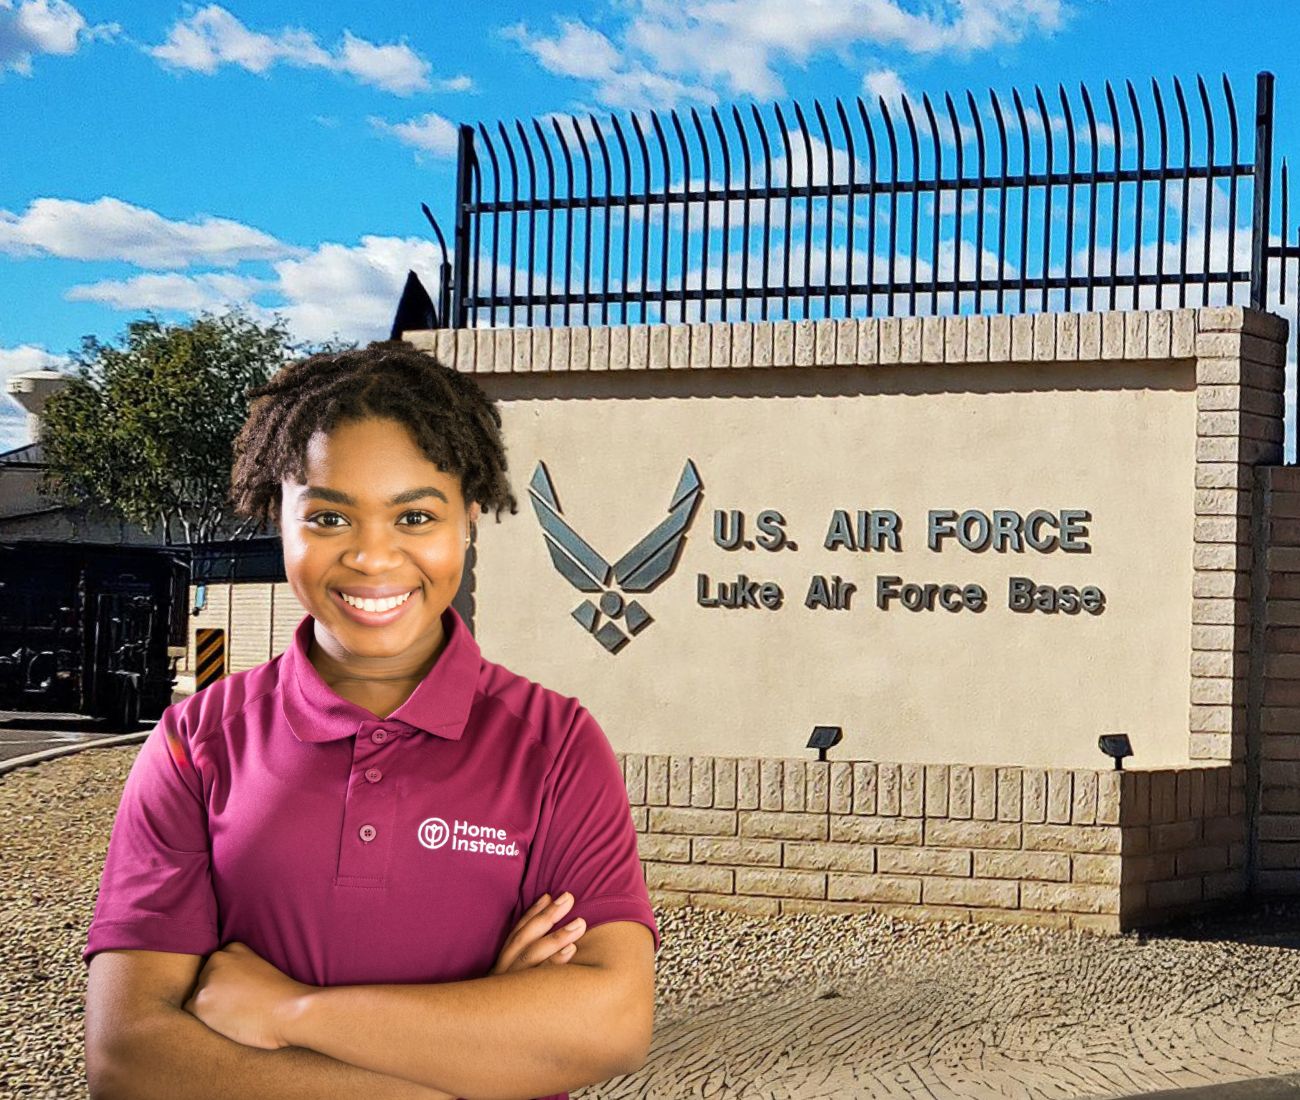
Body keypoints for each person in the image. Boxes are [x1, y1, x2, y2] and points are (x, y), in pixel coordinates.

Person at [82, 341, 660, 1100]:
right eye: (328, 517)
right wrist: (484, 1044)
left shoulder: (553, 745)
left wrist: (289, 1012)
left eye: (415, 515)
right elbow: (130, 1061)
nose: (372, 557)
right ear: (277, 517)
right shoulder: (199, 743)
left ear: (469, 519)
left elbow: (610, 1022)